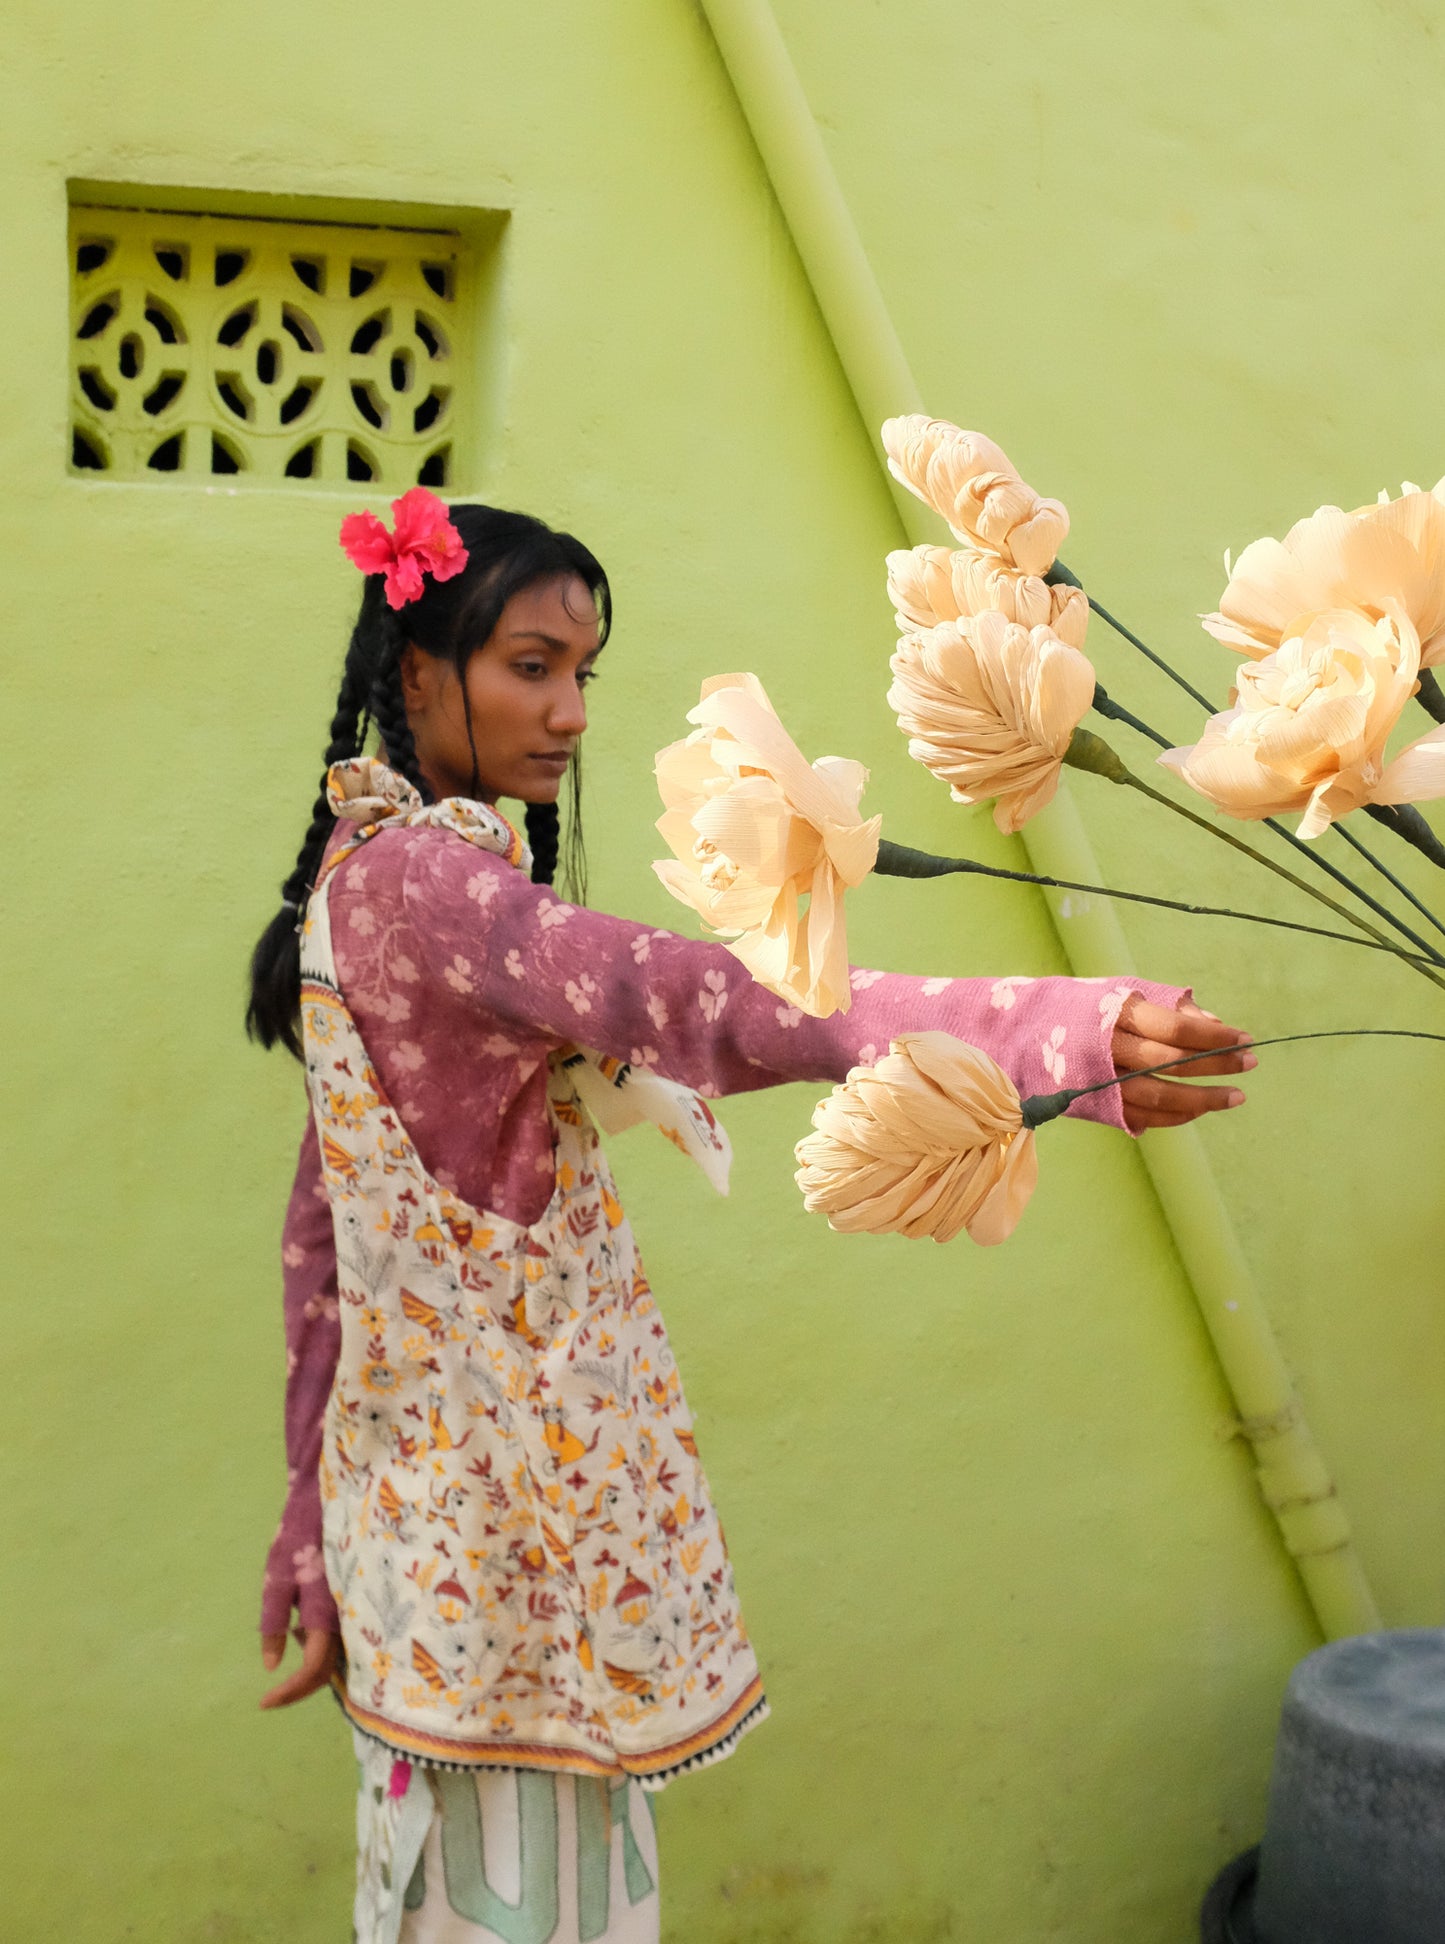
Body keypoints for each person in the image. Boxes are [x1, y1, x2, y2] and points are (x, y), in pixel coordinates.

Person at [247, 492, 1252, 1944]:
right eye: (531, 665)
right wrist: (1057, 1039)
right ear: (416, 673)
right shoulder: (432, 890)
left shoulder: (360, 888)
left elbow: (319, 1239)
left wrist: (307, 1526)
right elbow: (701, 1000)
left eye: (582, 671)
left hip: (421, 1552)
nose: (572, 713)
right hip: (519, 1562)